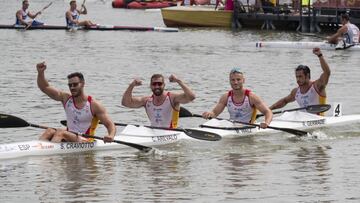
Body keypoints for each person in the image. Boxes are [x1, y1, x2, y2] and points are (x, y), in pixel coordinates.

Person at [36, 61, 116, 143]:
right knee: (49, 130)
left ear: (82, 84)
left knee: (60, 132)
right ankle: (38, 150)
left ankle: (50, 151)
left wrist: (111, 136)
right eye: (70, 85)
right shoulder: (66, 98)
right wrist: (40, 73)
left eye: (75, 84)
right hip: (69, 135)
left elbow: (110, 124)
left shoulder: (94, 105)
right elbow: (45, 87)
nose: (72, 87)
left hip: (86, 140)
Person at [202, 68, 273, 128]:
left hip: (249, 126)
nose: (235, 82)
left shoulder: (252, 97)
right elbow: (215, 113)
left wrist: (266, 123)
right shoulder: (225, 97)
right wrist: (209, 114)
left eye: (238, 79)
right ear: (230, 81)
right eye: (233, 80)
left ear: (243, 80)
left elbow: (268, 112)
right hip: (232, 125)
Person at [269, 48, 331, 115]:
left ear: (307, 75)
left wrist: (320, 56)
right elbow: (284, 101)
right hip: (303, 120)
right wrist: (269, 109)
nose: (298, 79)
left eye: (300, 76)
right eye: (296, 77)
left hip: (318, 120)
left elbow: (327, 72)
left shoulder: (318, 86)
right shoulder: (296, 92)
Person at [121, 74, 196, 128]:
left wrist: (178, 81)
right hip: (154, 131)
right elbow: (125, 103)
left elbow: (191, 97)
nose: (157, 86)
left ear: (164, 85)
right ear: (150, 86)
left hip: (171, 132)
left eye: (159, 84)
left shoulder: (173, 98)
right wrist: (131, 85)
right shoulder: (146, 100)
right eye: (154, 84)